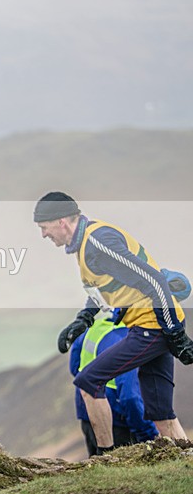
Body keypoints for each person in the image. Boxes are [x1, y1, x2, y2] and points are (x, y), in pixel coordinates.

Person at [35, 191, 192, 455]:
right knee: (161, 414)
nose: (43, 235)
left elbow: (154, 281)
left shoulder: (98, 241)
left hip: (152, 326)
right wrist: (82, 320)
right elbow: (103, 289)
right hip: (149, 325)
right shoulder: (85, 244)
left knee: (89, 381)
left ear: (61, 221)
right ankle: (187, 464)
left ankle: (104, 457)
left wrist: (175, 333)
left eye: (44, 227)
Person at [69, 314, 158, 457]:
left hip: (87, 416)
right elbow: (130, 397)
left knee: (97, 466)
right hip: (118, 424)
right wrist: (149, 435)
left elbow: (75, 369)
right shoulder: (130, 340)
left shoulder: (93, 328)